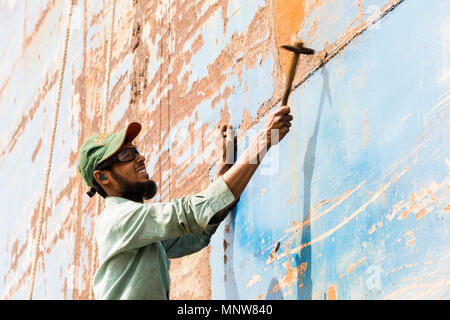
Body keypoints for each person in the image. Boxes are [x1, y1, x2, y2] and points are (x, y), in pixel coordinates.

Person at [77, 104, 293, 299]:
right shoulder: (117, 220)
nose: (139, 158)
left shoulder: (140, 233)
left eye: (135, 151)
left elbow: (197, 234)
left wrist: (224, 168)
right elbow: (190, 213)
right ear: (102, 177)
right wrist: (263, 139)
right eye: (126, 156)